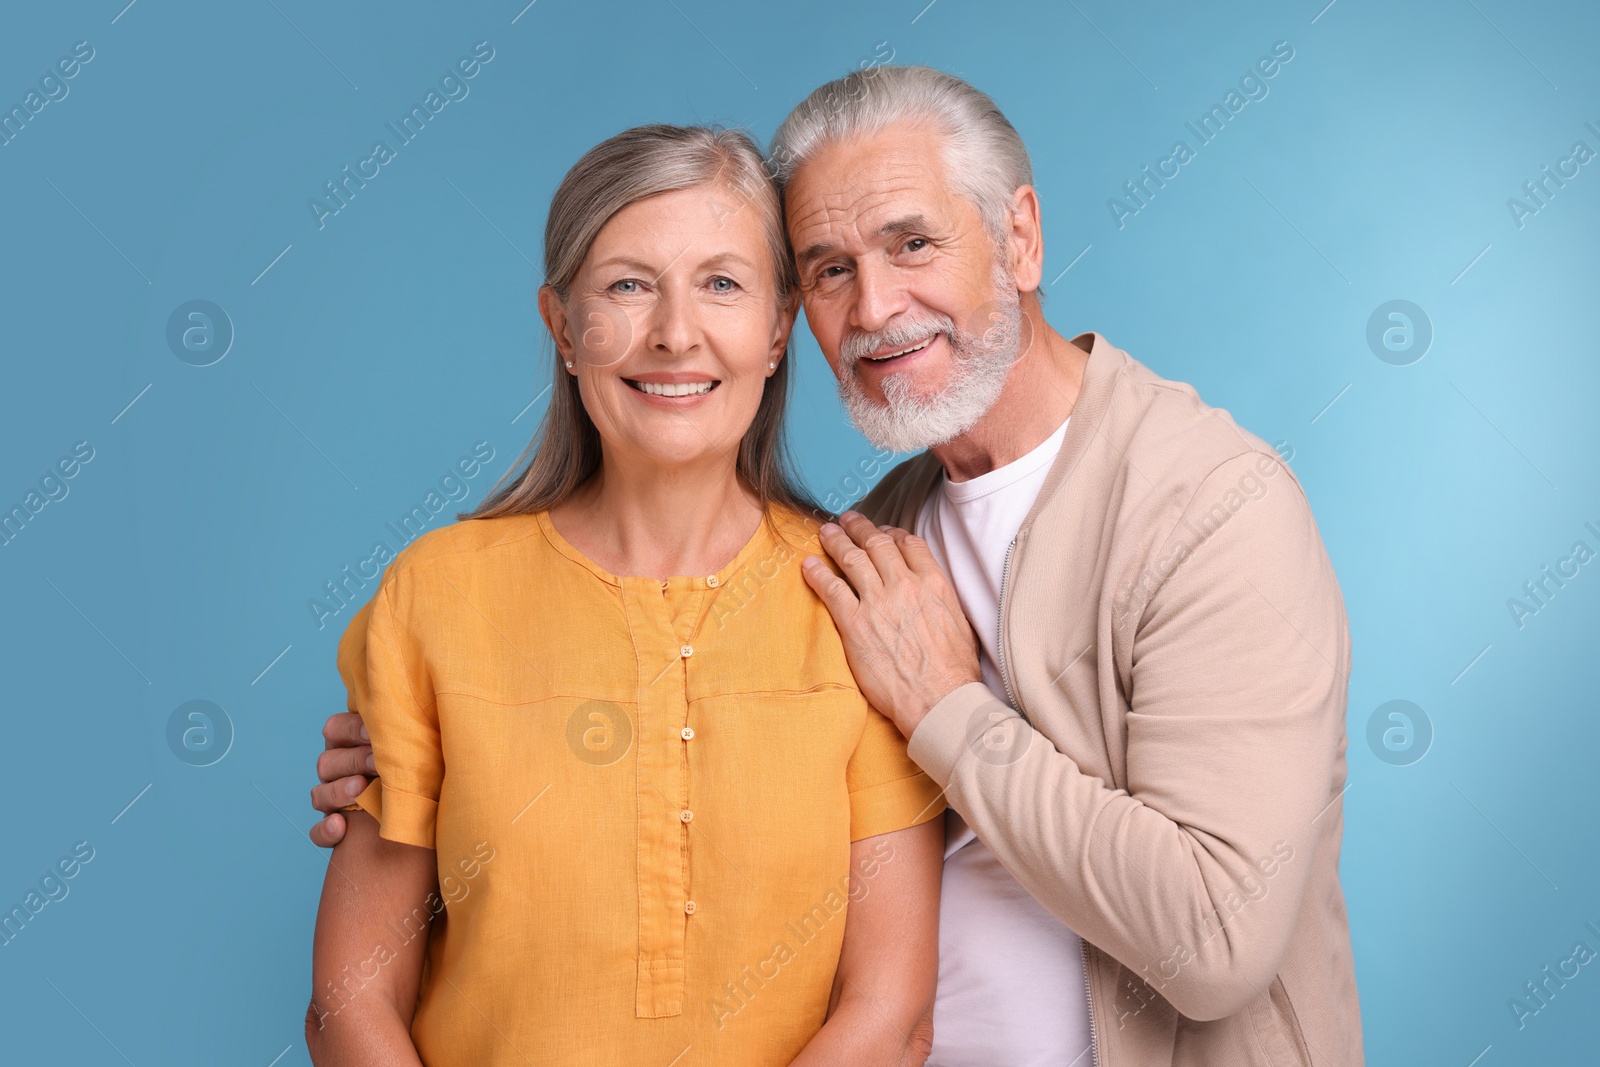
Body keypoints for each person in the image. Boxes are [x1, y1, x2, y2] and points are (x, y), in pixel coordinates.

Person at [313, 67, 1364, 1066]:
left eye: (913, 243)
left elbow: (1214, 940)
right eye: (829, 268)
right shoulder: (867, 546)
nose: (872, 309)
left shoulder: (1206, 507)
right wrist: (433, 755)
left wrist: (945, 705)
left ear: (1021, 237)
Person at [304, 124, 945, 1067]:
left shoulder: (862, 602)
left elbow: (889, 1015)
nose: (675, 332)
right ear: (564, 328)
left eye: (722, 283)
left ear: (778, 329)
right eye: (628, 285)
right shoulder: (436, 596)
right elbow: (350, 1003)